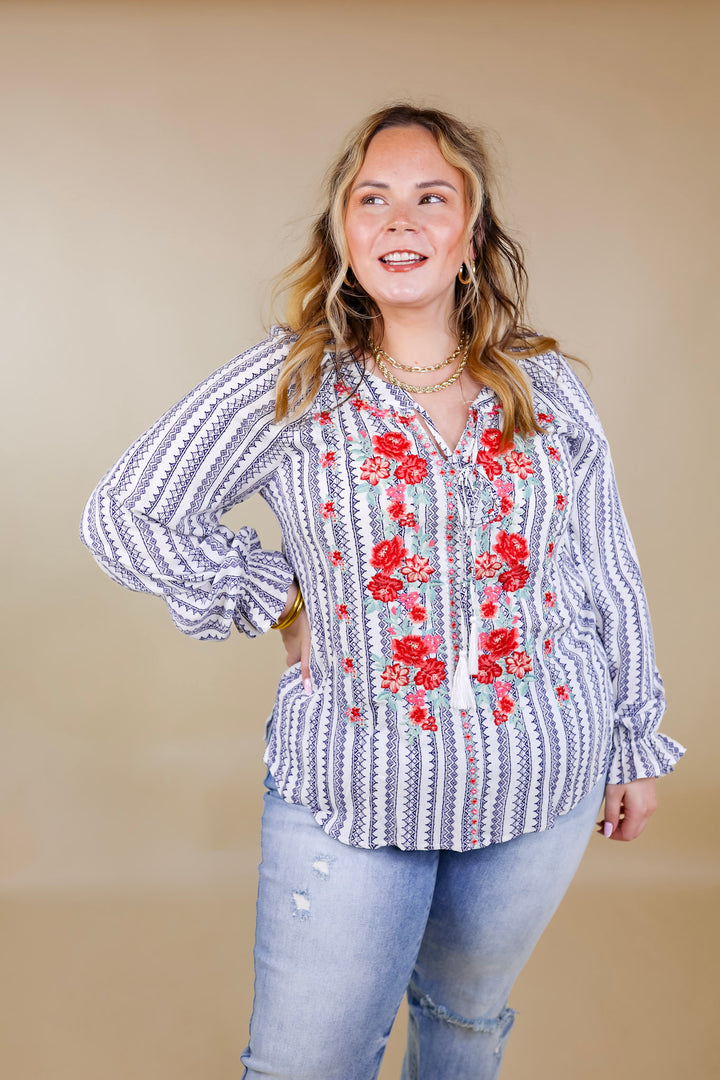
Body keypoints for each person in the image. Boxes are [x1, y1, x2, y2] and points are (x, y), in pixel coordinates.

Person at [81, 103, 685, 1080]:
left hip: (541, 781)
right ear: (343, 232)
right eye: (375, 199)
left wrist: (631, 738)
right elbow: (126, 516)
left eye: (430, 198)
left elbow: (601, 563)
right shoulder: (290, 386)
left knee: (464, 1022)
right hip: (355, 790)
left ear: (469, 234)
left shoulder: (543, 385)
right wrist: (278, 598)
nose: (401, 220)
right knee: (305, 1064)